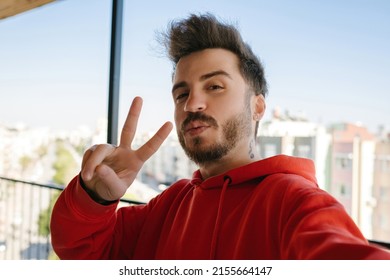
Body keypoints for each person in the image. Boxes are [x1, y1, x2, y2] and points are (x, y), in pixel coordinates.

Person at [50, 13, 390, 260]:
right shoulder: (171, 203)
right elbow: (84, 253)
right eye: (181, 93)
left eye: (214, 86)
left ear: (257, 107)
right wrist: (94, 198)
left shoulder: (295, 203)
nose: (192, 104)